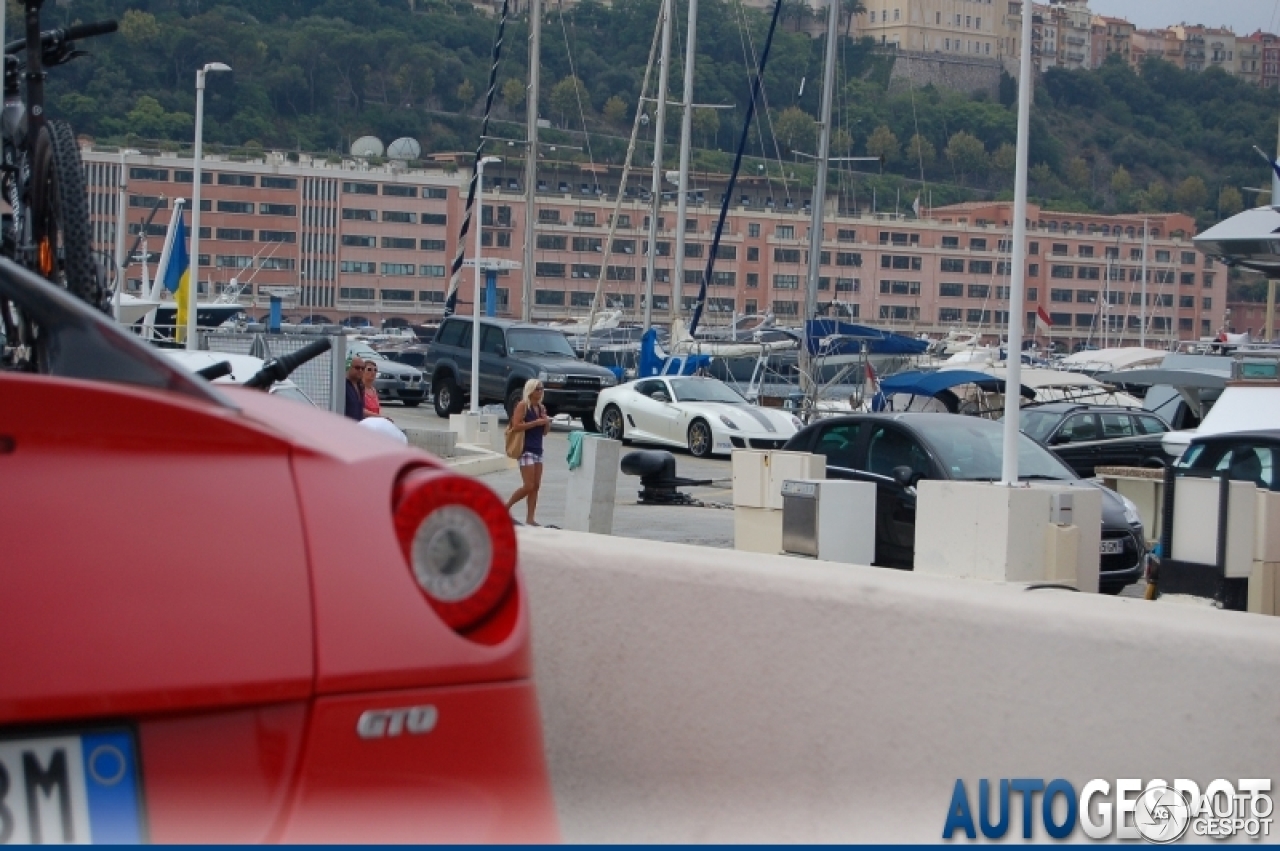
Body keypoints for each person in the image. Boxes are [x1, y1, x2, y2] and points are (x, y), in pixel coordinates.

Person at [505, 378, 552, 525]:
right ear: (531, 390)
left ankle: (530, 518)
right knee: (528, 485)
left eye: (542, 389)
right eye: (538, 389)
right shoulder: (523, 406)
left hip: (538, 449)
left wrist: (546, 422)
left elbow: (544, 433)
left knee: (536, 486)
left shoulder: (541, 408)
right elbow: (516, 425)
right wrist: (535, 423)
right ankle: (505, 507)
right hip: (526, 449)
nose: (540, 391)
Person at [344, 356, 366, 421]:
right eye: (357, 368)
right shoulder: (343, 386)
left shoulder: (360, 386)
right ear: (348, 367)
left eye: (363, 368)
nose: (360, 370)